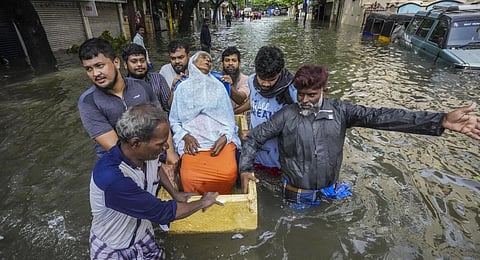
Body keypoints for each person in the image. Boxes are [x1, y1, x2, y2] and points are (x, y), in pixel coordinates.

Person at [239, 64, 480, 209]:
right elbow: (253, 138)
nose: (304, 101)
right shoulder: (286, 115)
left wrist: (441, 120)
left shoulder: (342, 111)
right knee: (297, 232)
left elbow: (384, 117)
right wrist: (246, 169)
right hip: (296, 192)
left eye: (311, 95)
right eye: (300, 94)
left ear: (324, 90)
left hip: (331, 188)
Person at [89, 103, 222, 258]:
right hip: (114, 245)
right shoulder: (113, 178)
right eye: (160, 143)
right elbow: (162, 212)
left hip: (142, 233)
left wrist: (175, 193)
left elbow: (158, 167)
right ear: (135, 142)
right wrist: (203, 202)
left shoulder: (148, 153)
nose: (166, 146)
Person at [77, 38, 179, 178]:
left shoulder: (141, 86)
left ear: (116, 62)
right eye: (89, 69)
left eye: (99, 65)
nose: (95, 74)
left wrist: (171, 153)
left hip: (154, 154)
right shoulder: (88, 102)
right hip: (120, 165)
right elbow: (116, 147)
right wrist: (158, 169)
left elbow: (161, 121)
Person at [169, 51, 241, 195]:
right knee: (189, 177)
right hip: (193, 141)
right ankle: (195, 204)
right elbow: (174, 120)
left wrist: (225, 137)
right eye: (203, 58)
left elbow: (229, 119)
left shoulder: (219, 87)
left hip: (218, 139)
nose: (207, 60)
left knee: (228, 173)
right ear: (192, 63)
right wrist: (185, 136)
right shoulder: (182, 88)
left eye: (209, 59)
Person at [246, 46, 297, 176]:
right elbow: (253, 102)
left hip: (279, 158)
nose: (266, 84)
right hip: (256, 153)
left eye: (272, 80)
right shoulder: (251, 81)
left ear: (280, 72)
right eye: (262, 79)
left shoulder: (294, 91)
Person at [122, 43, 171, 113]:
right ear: (125, 65)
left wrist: (173, 90)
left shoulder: (158, 78)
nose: (139, 64)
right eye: (134, 61)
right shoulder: (122, 86)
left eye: (142, 60)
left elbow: (168, 107)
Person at [159, 40, 190, 107]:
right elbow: (168, 106)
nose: (177, 61)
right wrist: (173, 88)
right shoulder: (165, 71)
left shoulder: (196, 70)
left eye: (181, 57)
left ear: (188, 56)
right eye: (173, 58)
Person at [221, 46, 250, 115]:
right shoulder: (217, 79)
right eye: (227, 60)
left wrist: (229, 86)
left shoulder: (246, 80)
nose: (230, 63)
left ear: (239, 64)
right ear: (222, 64)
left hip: (237, 117)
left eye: (234, 60)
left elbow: (240, 99)